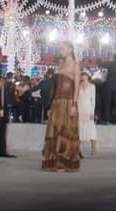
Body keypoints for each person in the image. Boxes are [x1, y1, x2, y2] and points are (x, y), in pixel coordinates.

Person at [41, 41, 82, 172]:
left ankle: (65, 163)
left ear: (70, 50)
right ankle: (53, 162)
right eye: (61, 49)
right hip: (57, 102)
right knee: (54, 131)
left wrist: (74, 105)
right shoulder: (61, 65)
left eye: (63, 49)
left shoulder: (76, 66)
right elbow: (55, 87)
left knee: (66, 132)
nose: (61, 51)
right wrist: (50, 106)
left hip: (68, 102)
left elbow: (77, 87)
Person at [78, 72, 98, 157]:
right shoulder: (78, 85)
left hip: (88, 108)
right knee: (79, 128)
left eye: (85, 75)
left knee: (91, 128)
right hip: (79, 108)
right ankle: (78, 149)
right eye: (82, 75)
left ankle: (93, 147)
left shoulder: (92, 86)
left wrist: (92, 112)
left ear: (88, 76)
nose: (83, 77)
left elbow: (93, 100)